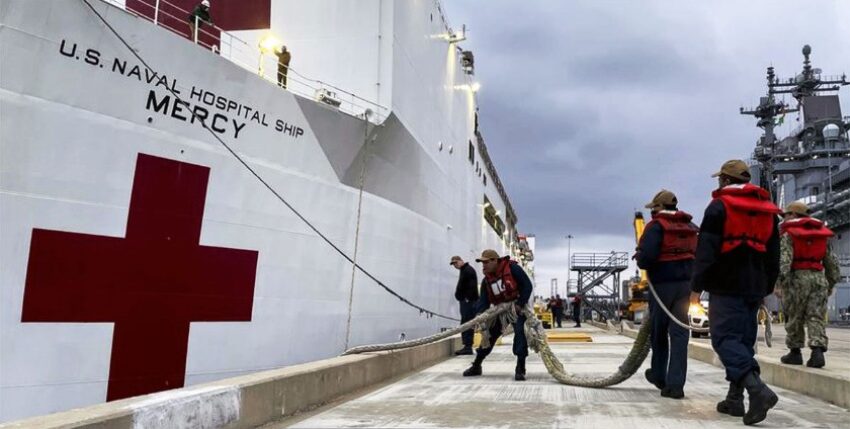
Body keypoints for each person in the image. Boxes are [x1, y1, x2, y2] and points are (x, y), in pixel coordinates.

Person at [691, 159, 781, 425]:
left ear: (726, 181)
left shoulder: (718, 207)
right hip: (754, 286)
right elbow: (773, 256)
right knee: (743, 342)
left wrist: (696, 288)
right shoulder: (768, 212)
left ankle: (757, 390)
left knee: (724, 339)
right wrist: (765, 287)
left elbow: (705, 251)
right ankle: (734, 399)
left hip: (726, 284)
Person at [635, 189, 698, 399]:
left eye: (654, 208)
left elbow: (647, 257)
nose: (653, 212)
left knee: (659, 331)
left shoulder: (655, 227)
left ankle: (659, 375)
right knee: (680, 334)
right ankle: (676, 384)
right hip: (685, 285)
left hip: (662, 285)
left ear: (659, 208)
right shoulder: (690, 226)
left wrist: (641, 258)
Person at [775, 202, 840, 368]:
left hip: (797, 278)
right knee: (816, 315)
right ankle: (817, 352)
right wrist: (831, 283)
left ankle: (795, 352)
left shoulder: (788, 234)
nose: (784, 219)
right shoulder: (821, 235)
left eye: (786, 215)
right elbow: (832, 263)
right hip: (819, 278)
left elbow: (785, 261)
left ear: (794, 215)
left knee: (795, 315)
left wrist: (778, 283)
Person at [462, 249, 533, 381]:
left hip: (516, 309)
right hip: (500, 312)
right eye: (482, 263)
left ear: (495, 260)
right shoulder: (486, 281)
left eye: (486, 262)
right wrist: (480, 316)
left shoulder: (513, 269)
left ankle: (520, 367)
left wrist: (519, 303)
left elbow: (527, 286)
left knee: (520, 332)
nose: (483, 266)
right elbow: (483, 301)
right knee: (488, 336)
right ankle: (477, 365)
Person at [451, 255, 479, 355]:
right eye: (453, 264)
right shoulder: (465, 270)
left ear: (461, 261)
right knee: (466, 322)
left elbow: (471, 286)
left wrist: (467, 298)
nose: (454, 265)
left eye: (455, 263)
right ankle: (467, 346)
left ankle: (467, 347)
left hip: (468, 302)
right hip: (467, 301)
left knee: (466, 323)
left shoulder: (467, 270)